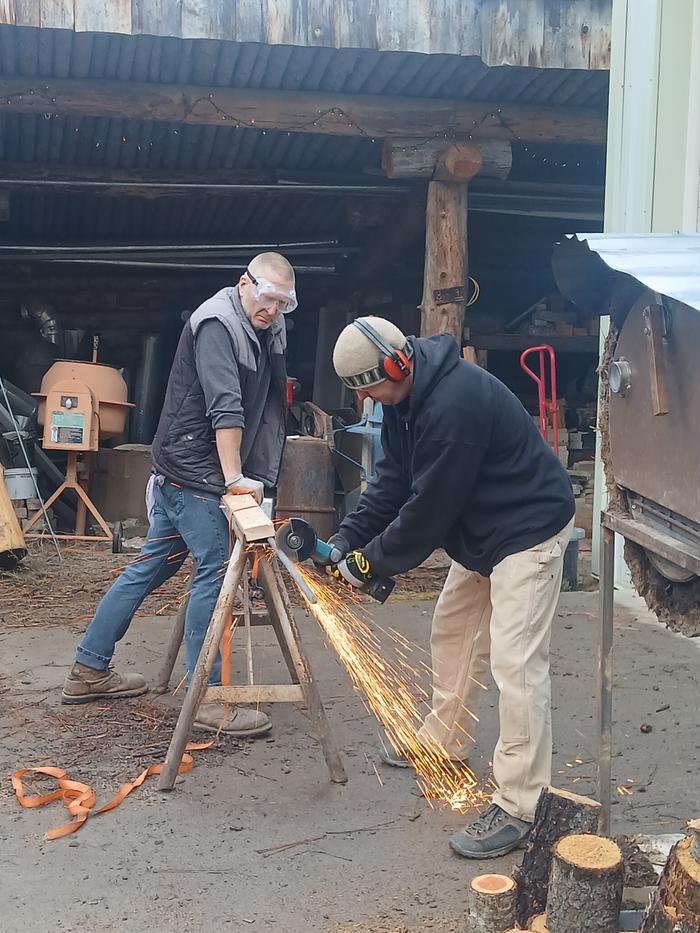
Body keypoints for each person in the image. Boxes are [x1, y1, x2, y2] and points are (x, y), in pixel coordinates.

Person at [328, 316, 575, 858]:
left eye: (376, 388)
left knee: (516, 664)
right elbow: (391, 482)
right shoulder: (403, 401)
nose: (374, 401)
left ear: (398, 363)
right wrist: (345, 541)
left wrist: (371, 565)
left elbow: (428, 512)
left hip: (527, 530)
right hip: (482, 531)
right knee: (453, 630)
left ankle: (522, 805)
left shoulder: (455, 403)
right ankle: (444, 741)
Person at [62, 253, 297, 738]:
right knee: (214, 573)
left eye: (282, 303)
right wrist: (235, 478)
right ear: (243, 283)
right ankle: (208, 698)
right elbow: (226, 408)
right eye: (266, 298)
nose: (272, 310)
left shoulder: (268, 326)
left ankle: (89, 670)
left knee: (150, 566)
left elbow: (266, 400)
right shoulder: (216, 323)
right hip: (195, 475)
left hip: (185, 470)